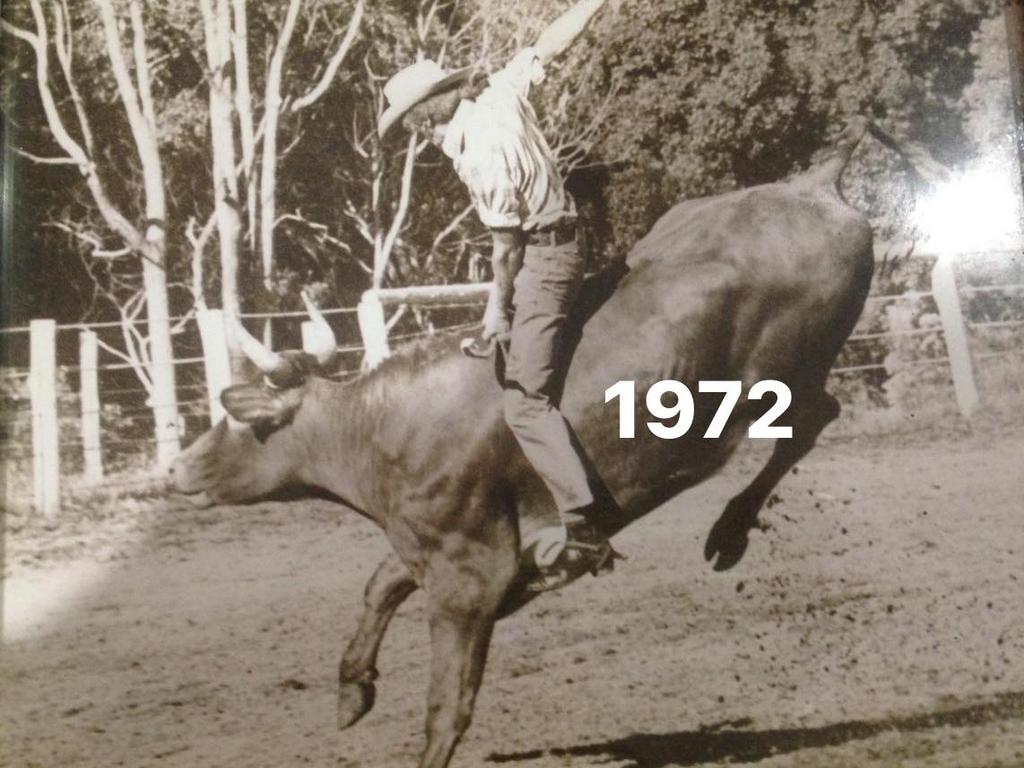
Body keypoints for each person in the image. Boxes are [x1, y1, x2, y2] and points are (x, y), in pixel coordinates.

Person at [378, 0, 613, 591]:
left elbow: (506, 248)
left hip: (544, 253)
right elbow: (551, 41)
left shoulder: (479, 153)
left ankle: (584, 525)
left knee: (523, 403)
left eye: (416, 125)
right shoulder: (502, 92)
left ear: (429, 114)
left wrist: (495, 308)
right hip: (563, 236)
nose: (420, 136)